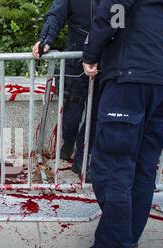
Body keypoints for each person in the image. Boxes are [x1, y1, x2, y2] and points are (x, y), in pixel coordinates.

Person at [76, 0, 163, 248]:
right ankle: (126, 236)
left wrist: (91, 53)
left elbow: (115, 10)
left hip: (131, 72)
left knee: (113, 164)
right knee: (143, 165)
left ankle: (114, 245)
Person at [33, 0, 102, 179]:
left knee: (97, 114)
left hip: (105, 61)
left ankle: (82, 158)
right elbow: (56, 15)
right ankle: (68, 144)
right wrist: (45, 39)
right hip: (76, 61)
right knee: (72, 111)